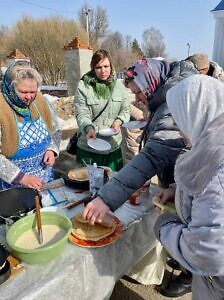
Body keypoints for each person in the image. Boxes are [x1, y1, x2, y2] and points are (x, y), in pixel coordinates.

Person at [82, 57, 200, 296]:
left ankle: (191, 274)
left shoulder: (174, 99)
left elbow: (153, 156)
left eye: (138, 92)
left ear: (151, 82)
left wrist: (106, 198)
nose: (136, 98)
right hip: (179, 180)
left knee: (191, 226)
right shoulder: (168, 91)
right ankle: (185, 260)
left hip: (190, 180)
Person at [154, 74, 224, 299]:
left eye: (178, 120)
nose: (178, 129)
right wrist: (178, 189)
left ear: (195, 114)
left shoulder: (218, 165)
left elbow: (207, 252)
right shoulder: (214, 144)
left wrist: (165, 228)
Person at [0, 60, 61, 190]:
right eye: (23, 92)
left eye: (32, 92)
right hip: (13, 187)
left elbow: (55, 129)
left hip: (45, 179)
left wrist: (52, 149)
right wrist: (21, 178)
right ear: (11, 87)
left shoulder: (41, 101)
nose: (29, 97)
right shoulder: (1, 108)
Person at [74, 49, 130, 171]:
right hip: (89, 146)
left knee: (113, 184)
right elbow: (81, 113)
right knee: (87, 186)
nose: (103, 71)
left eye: (106, 66)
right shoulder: (84, 86)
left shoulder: (119, 86)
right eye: (98, 67)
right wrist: (88, 128)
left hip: (113, 147)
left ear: (111, 67)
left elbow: (126, 110)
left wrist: (119, 121)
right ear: (93, 68)